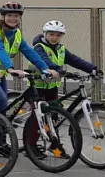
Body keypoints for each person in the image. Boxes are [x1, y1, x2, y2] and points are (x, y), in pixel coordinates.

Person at [26, 20, 100, 150]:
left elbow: (75, 60)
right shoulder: (39, 48)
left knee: (54, 115)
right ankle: (30, 147)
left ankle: (55, 145)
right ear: (45, 34)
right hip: (37, 87)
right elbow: (44, 60)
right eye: (51, 34)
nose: (54, 37)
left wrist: (92, 69)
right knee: (38, 117)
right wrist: (57, 69)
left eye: (58, 35)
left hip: (51, 87)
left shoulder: (61, 49)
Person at [0, 1, 57, 110]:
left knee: (3, 103)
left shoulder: (17, 33)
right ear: (3, 16)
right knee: (1, 100)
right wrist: (11, 69)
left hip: (0, 73)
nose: (13, 18)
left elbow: (28, 51)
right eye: (9, 15)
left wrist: (44, 68)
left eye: (16, 16)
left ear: (20, 18)